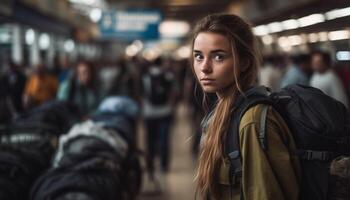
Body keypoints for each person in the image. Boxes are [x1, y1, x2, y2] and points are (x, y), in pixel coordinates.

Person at [192, 14, 300, 200]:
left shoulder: (251, 120)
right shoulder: (221, 113)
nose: (204, 67)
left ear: (244, 63)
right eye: (199, 56)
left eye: (218, 57)